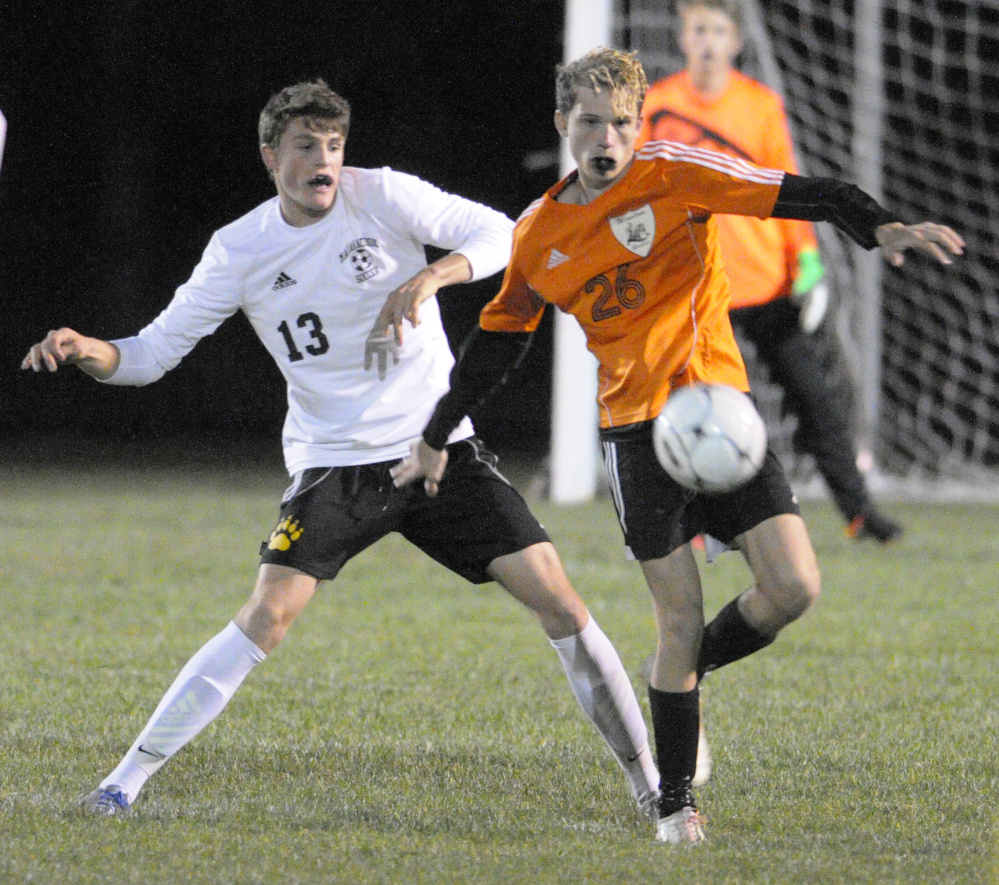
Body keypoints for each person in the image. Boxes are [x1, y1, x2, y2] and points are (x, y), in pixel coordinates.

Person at [21, 79, 661, 821]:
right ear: (271, 157)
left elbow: (504, 234)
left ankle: (650, 782)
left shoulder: (382, 195)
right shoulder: (240, 249)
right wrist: (85, 348)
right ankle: (122, 782)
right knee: (268, 614)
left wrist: (431, 274)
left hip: (434, 447)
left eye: (333, 145)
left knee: (558, 599)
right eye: (305, 146)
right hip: (334, 461)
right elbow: (151, 353)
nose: (324, 160)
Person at [390, 49, 963, 845]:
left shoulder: (675, 174)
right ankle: (673, 801)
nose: (605, 136)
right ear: (563, 125)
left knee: (794, 585)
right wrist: (431, 438)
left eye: (620, 121)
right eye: (588, 121)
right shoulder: (540, 234)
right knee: (676, 616)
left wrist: (878, 225)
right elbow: (496, 347)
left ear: (638, 123)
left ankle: (683, 684)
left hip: (719, 419)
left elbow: (801, 193)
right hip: (634, 439)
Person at [637, 0, 902, 542]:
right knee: (698, 410)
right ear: (683, 38)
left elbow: (788, 186)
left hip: (764, 283)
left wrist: (805, 258)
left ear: (736, 41)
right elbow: (641, 193)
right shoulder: (659, 106)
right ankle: (702, 523)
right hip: (695, 288)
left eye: (717, 30)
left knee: (816, 402)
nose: (707, 41)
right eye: (697, 30)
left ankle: (858, 513)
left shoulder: (758, 105)